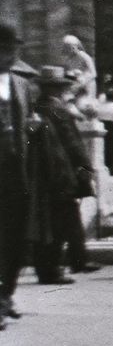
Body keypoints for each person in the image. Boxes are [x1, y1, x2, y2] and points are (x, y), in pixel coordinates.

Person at [27, 67, 99, 283]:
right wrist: (85, 166)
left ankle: (76, 259)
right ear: (57, 89)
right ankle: (57, 267)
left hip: (41, 172)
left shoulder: (37, 107)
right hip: (60, 170)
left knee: (58, 218)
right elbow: (72, 142)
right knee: (60, 219)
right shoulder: (58, 110)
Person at [0, 23, 37, 327]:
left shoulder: (21, 85)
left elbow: (27, 121)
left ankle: (6, 295)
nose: (11, 56)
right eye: (6, 50)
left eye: (13, 50)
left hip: (16, 171)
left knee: (15, 236)